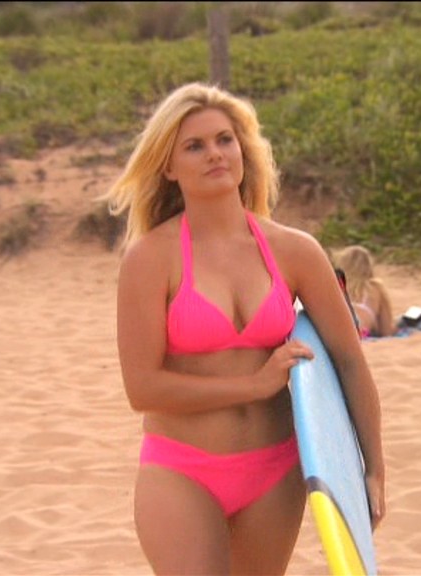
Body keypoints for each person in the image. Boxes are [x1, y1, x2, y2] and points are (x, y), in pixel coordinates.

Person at [107, 82, 386, 575]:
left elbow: (348, 361)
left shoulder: (295, 251)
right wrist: (254, 384)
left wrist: (373, 469)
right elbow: (143, 388)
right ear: (169, 167)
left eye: (225, 140)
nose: (215, 153)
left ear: (243, 150)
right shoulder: (150, 258)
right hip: (182, 469)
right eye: (195, 146)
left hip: (275, 469)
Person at [334, 245, 396, 339]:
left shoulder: (336, 284)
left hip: (336, 330)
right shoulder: (375, 287)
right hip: (359, 332)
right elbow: (386, 330)